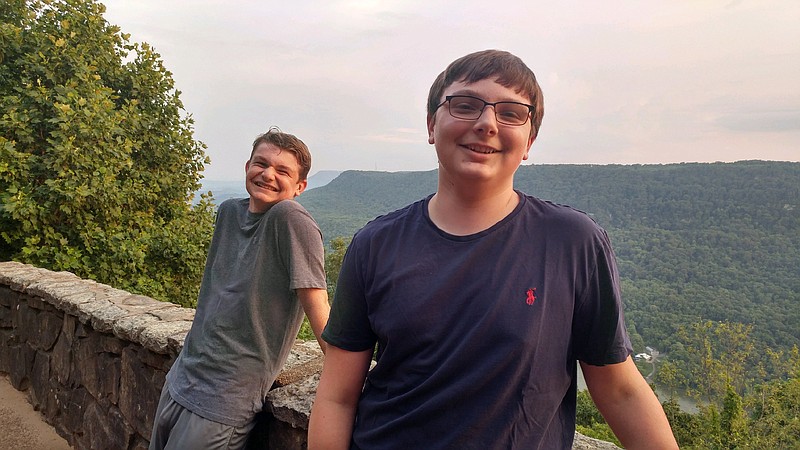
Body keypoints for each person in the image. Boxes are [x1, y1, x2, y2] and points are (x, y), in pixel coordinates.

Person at [308, 50, 678, 449]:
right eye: (464, 105)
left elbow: (620, 390)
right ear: (432, 124)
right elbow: (337, 397)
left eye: (511, 113)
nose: (486, 124)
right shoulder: (375, 245)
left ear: (529, 140)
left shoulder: (573, 242)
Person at [149, 127, 330, 450]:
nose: (267, 174)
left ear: (300, 186)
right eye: (261, 163)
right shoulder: (229, 212)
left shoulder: (291, 219)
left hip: (223, 398)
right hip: (181, 379)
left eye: (282, 171)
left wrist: (352, 383)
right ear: (247, 166)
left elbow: (319, 310)